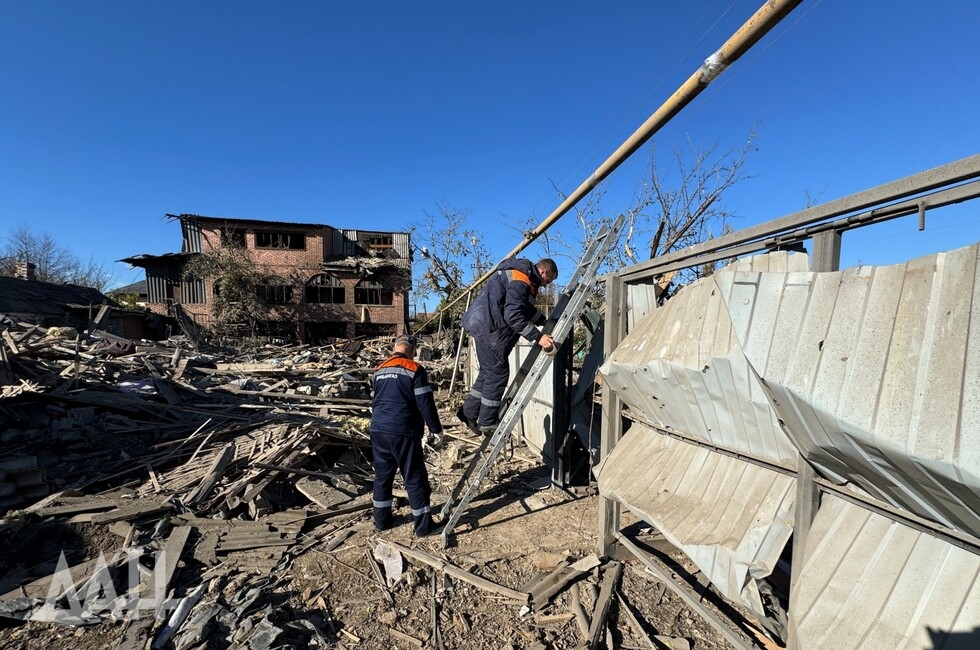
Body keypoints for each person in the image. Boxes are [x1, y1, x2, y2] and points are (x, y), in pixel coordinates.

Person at [457, 257, 558, 435]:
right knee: (498, 374)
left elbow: (524, 308)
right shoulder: (521, 280)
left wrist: (544, 321)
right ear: (544, 272)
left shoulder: (521, 277)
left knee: (488, 373)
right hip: (490, 330)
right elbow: (513, 315)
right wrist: (538, 337)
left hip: (484, 326)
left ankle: (468, 413)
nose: (546, 285)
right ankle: (487, 422)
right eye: (548, 280)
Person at [370, 334, 444, 536]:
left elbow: (376, 400)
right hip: (403, 431)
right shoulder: (414, 369)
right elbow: (425, 403)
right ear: (412, 349)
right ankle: (423, 527)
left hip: (378, 430)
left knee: (382, 477)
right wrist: (436, 430)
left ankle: (381, 521)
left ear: (396, 347)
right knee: (414, 477)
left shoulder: (379, 370)